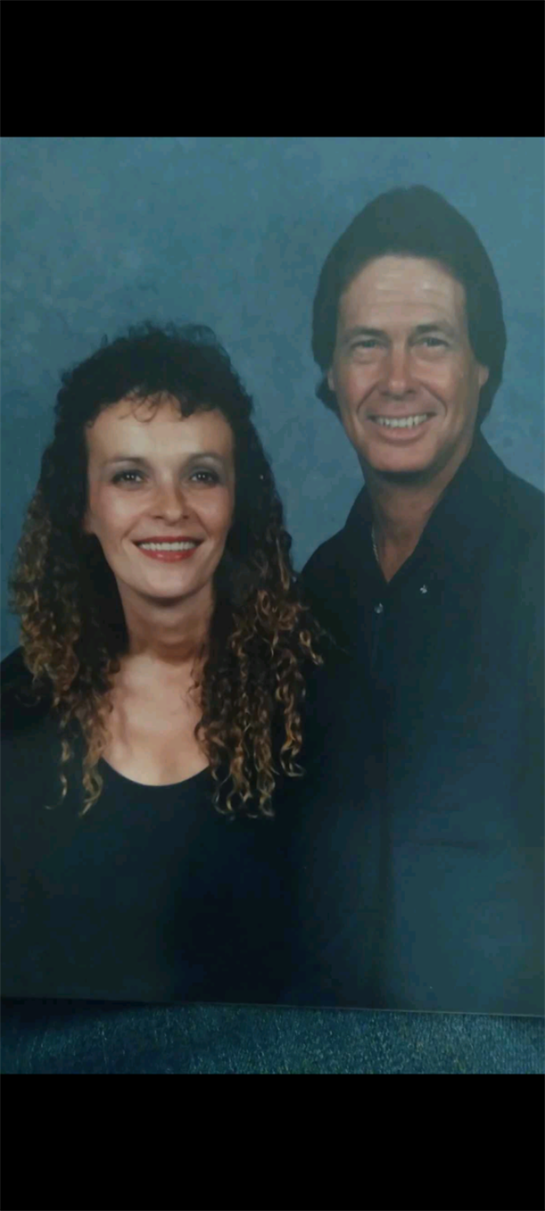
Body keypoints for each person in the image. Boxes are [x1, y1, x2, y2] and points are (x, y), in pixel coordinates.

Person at [0, 321, 350, 1007]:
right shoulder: (13, 710)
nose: (170, 508)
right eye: (130, 475)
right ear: (84, 508)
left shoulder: (323, 705)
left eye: (200, 474)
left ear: (233, 501)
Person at [295, 185, 545, 1015]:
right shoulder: (310, 599)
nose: (396, 379)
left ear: (482, 362)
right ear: (330, 373)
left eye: (429, 342)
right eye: (366, 344)